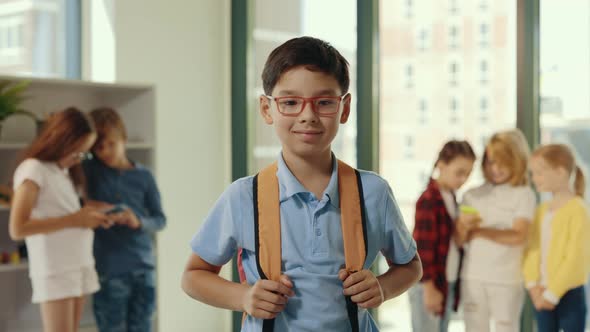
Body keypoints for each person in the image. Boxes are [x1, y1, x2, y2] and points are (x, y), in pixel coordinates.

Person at [181, 36, 422, 331]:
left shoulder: (373, 192)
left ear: (344, 108)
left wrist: (383, 288)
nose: (308, 116)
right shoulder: (244, 196)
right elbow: (194, 276)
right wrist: (243, 297)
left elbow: (410, 266)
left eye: (324, 102)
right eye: (291, 102)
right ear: (267, 109)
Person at [9, 107, 109, 332]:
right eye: (75, 152)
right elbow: (18, 228)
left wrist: (90, 216)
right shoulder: (34, 169)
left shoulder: (62, 172)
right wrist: (76, 220)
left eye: (82, 154)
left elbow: (61, 212)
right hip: (56, 269)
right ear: (60, 140)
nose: (77, 160)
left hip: (78, 264)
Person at [83, 107, 166, 332]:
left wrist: (137, 221)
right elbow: (75, 204)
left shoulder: (144, 176)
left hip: (144, 268)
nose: (105, 151)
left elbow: (160, 219)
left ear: (124, 139)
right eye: (98, 148)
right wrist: (98, 209)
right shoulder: (89, 171)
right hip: (109, 270)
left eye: (111, 144)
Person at [457, 129, 536, 332]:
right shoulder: (471, 195)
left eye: (503, 163)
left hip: (506, 279)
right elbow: (459, 240)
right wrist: (463, 227)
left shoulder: (524, 195)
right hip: (473, 276)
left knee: (506, 328)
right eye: (491, 162)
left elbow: (519, 235)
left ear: (517, 161)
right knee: (474, 328)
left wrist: (480, 232)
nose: (496, 169)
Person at [410, 140, 476, 332]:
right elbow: (423, 249)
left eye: (468, 174)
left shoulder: (452, 198)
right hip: (430, 284)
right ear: (441, 165)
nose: (463, 179)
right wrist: (429, 288)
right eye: (459, 172)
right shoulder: (429, 200)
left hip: (446, 281)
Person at [524, 143, 590, 332]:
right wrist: (533, 286)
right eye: (533, 173)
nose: (535, 179)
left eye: (540, 172)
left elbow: (576, 259)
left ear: (560, 172)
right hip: (540, 293)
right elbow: (531, 249)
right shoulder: (542, 210)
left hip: (568, 294)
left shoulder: (579, 210)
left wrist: (552, 294)